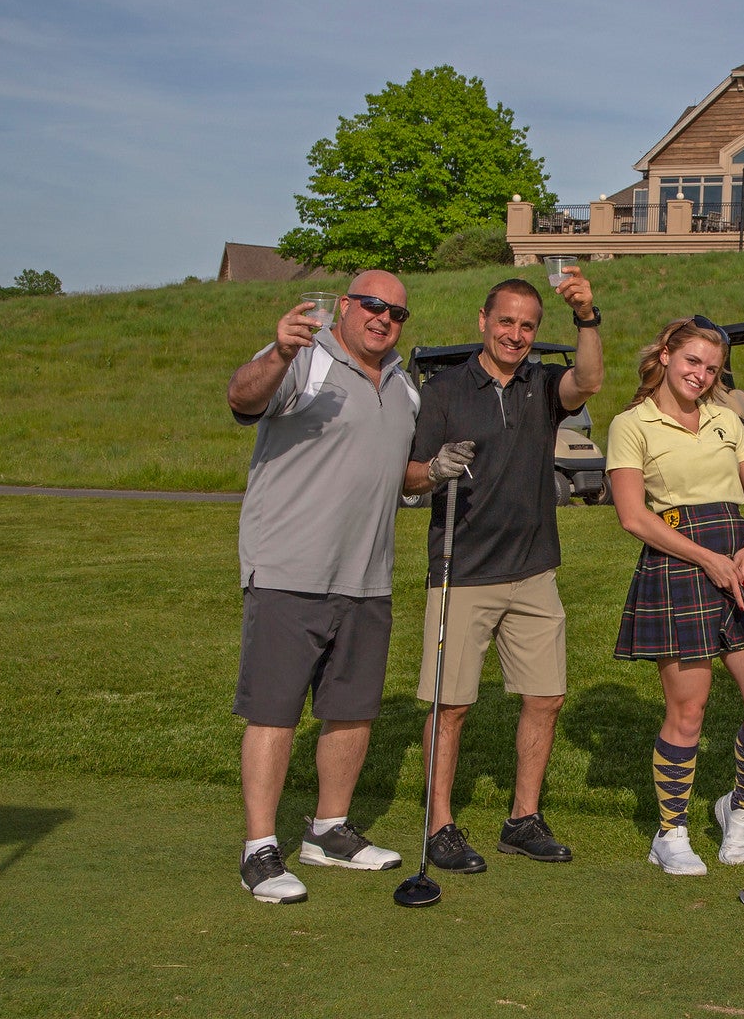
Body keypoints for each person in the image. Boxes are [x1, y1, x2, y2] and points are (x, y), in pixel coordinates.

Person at [227, 271, 420, 904]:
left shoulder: (403, 386)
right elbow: (244, 398)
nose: (383, 318)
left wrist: (432, 474)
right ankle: (260, 848)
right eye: (371, 305)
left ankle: (329, 829)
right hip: (289, 570)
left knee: (352, 710)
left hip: (367, 577)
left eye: (395, 311)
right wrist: (279, 351)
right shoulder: (303, 359)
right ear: (346, 306)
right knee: (274, 711)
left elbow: (392, 470)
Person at [403, 271, 602, 873]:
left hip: (533, 569)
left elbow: (588, 379)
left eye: (527, 325)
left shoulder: (540, 387)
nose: (516, 334)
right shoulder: (443, 390)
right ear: (483, 322)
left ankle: (523, 818)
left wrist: (587, 316)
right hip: (461, 571)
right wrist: (436, 469)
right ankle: (439, 825)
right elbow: (408, 475)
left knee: (545, 697)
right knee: (451, 704)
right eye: (506, 321)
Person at [607, 316, 744, 875]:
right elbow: (633, 516)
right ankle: (671, 831)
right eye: (692, 362)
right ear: (665, 355)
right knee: (688, 711)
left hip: (738, 558)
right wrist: (704, 556)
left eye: (711, 368)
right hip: (677, 561)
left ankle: (738, 810)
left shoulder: (726, 420)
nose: (701, 375)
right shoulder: (631, 423)